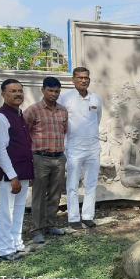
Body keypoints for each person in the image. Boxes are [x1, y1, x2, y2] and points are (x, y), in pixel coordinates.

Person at [0, 79, 34, 260]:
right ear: (3, 94)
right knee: (6, 212)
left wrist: (26, 174)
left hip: (23, 171)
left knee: (18, 210)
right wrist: (13, 176)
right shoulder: (0, 117)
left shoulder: (19, 114)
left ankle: (16, 243)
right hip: (10, 175)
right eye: (13, 91)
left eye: (20, 91)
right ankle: (4, 249)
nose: (18, 94)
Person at [24, 77, 68, 244]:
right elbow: (24, 133)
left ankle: (50, 225)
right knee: (39, 195)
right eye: (50, 90)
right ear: (43, 90)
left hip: (59, 158)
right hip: (40, 158)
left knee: (55, 195)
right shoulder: (33, 110)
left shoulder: (63, 111)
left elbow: (64, 131)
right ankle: (37, 230)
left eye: (57, 91)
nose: (54, 94)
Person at [58, 67, 102, 229]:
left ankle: (88, 216)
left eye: (86, 77)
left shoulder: (96, 99)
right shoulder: (65, 98)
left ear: (89, 79)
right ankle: (73, 218)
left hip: (93, 147)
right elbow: (61, 122)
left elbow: (96, 120)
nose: (83, 80)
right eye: (80, 77)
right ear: (73, 80)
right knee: (72, 184)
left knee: (91, 183)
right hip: (74, 147)